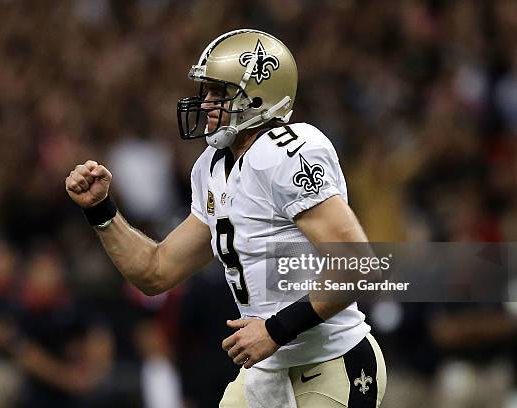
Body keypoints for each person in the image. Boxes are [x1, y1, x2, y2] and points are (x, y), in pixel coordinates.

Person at [66, 29, 386, 407]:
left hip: (332, 362)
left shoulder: (289, 152)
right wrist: (101, 209)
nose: (206, 105)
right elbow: (156, 272)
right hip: (265, 369)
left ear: (258, 95)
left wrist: (276, 328)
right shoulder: (212, 168)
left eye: (220, 93)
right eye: (207, 93)